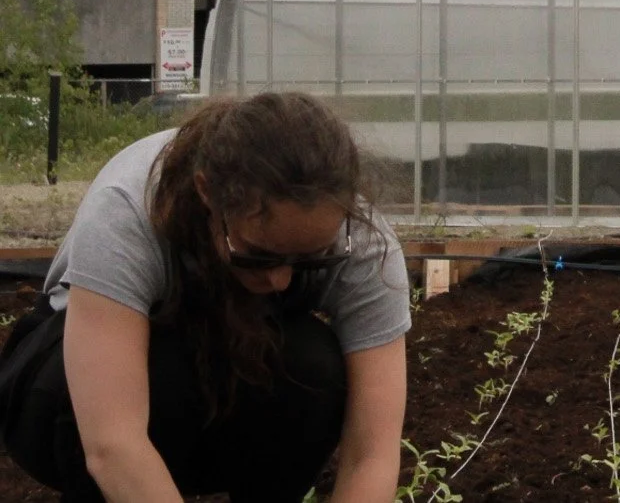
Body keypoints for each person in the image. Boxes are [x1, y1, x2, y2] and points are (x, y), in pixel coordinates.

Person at [0, 92, 409, 503]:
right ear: (207, 194)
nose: (282, 279)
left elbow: (371, 455)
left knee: (311, 367)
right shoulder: (128, 211)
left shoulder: (365, 246)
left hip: (213, 395)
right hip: (65, 399)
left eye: (308, 260)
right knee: (163, 369)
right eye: (258, 255)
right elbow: (113, 445)